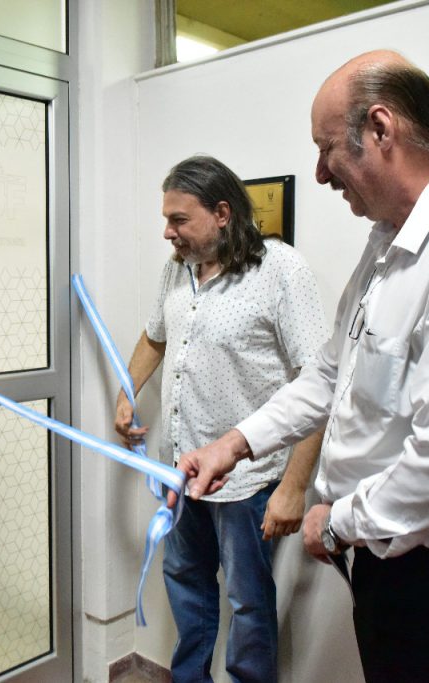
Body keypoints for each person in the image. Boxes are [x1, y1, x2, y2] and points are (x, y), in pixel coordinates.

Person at [173, 51, 429, 683]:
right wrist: (235, 443)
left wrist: (337, 522)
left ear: (381, 130)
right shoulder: (392, 241)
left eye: (327, 148)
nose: (320, 172)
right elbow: (332, 376)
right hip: (392, 554)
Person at [115, 155, 328, 682]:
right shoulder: (176, 269)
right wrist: (127, 390)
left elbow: (320, 383)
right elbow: (154, 335)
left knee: (249, 605)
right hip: (182, 469)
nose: (168, 232)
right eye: (167, 219)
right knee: (186, 588)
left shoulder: (281, 271)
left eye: (179, 220)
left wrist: (293, 487)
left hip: (247, 481)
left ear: (223, 213)